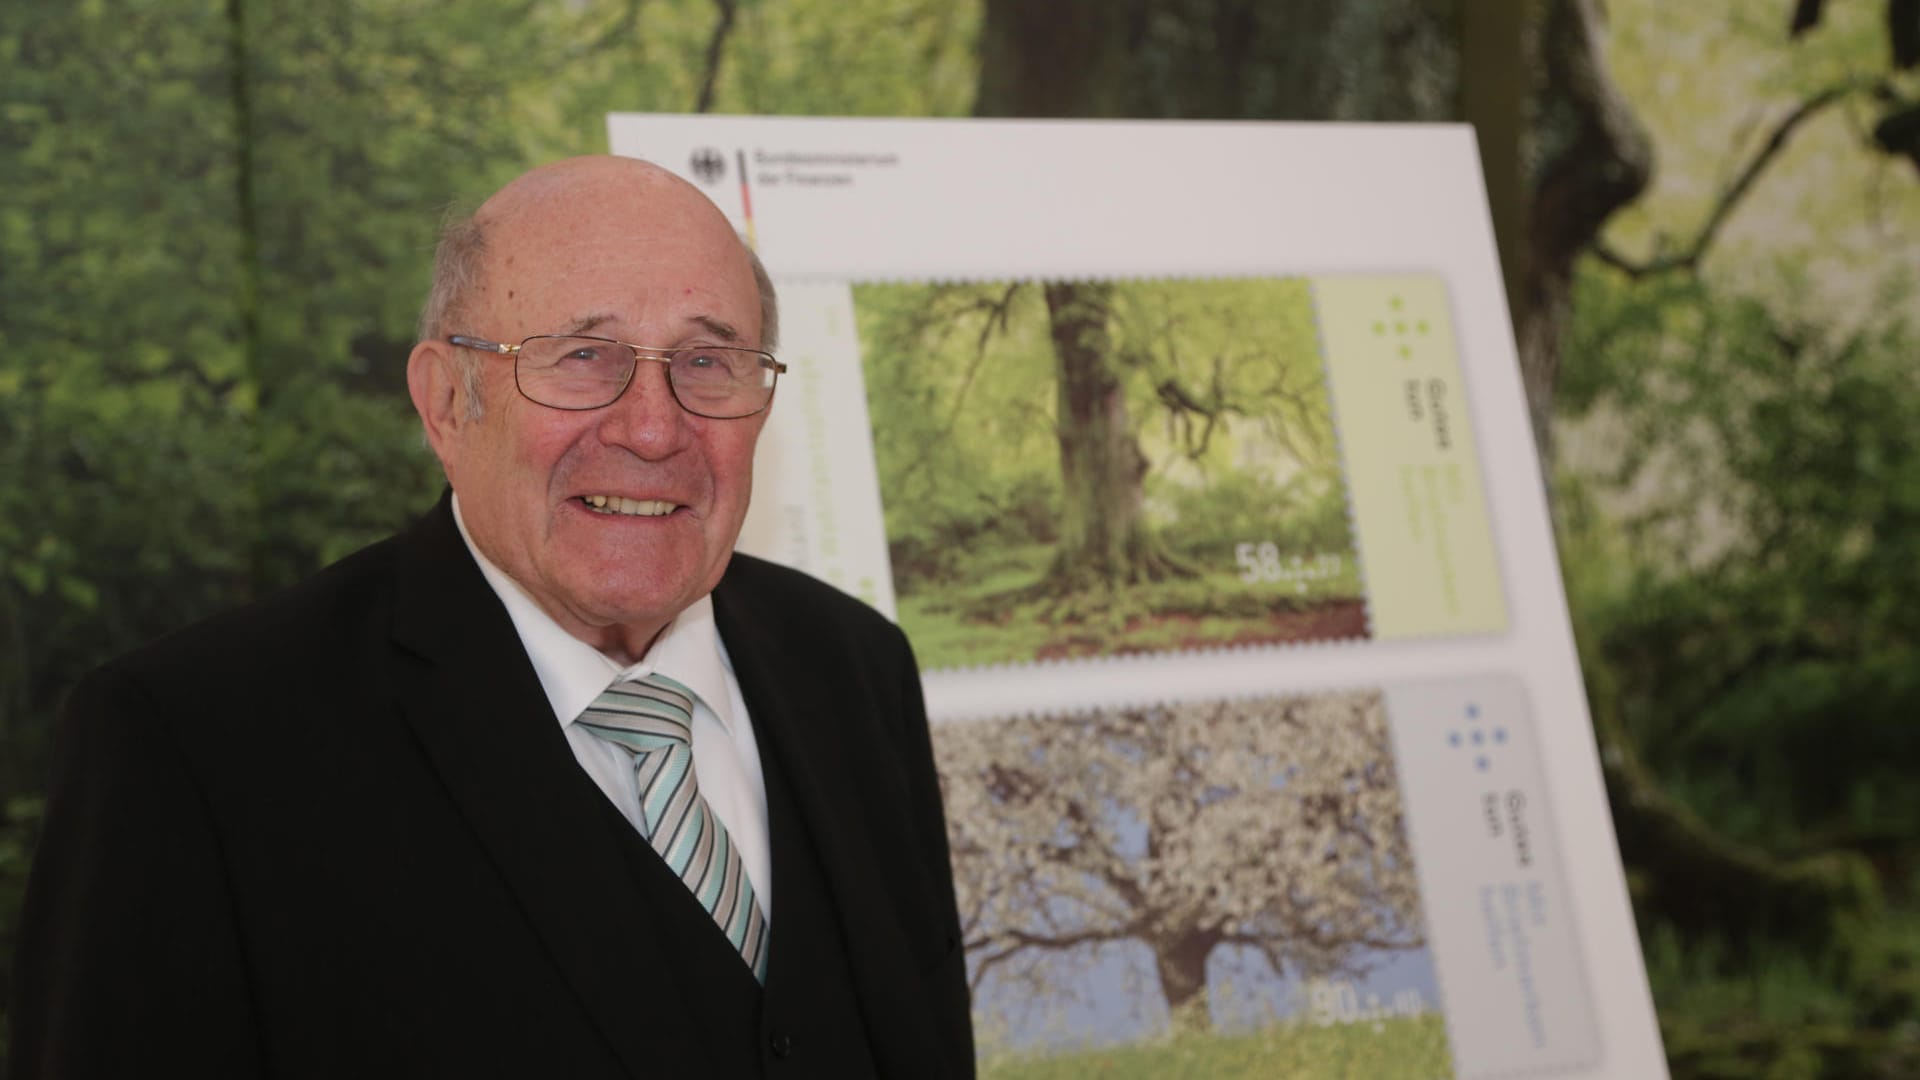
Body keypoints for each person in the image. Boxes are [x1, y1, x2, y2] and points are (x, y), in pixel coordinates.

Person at [8, 156, 974, 1078]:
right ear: (444, 403)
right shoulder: (196, 748)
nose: (652, 426)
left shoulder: (855, 669)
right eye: (583, 357)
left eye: (709, 361)